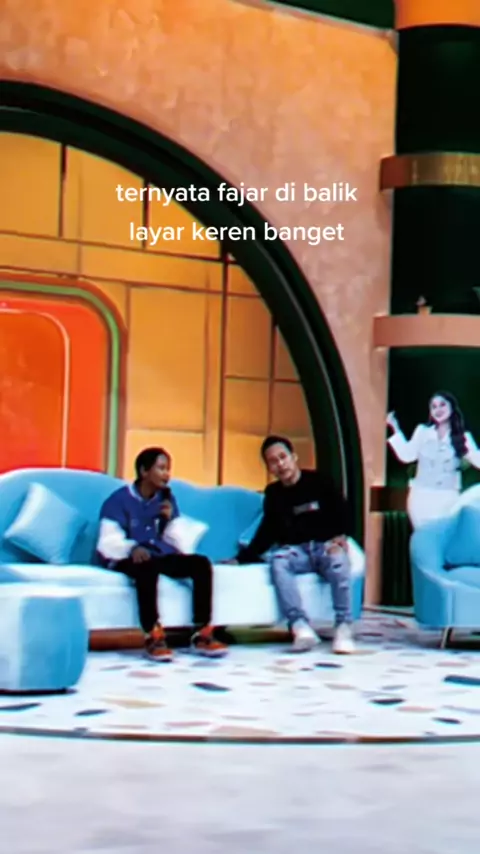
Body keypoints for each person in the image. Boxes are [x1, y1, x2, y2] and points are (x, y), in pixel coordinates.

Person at [96, 447, 227, 662]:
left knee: (200, 564)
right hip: (127, 556)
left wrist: (170, 520)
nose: (167, 475)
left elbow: (180, 545)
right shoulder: (118, 500)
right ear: (144, 471)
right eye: (161, 468)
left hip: (157, 554)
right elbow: (107, 541)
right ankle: (153, 635)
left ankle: (201, 632)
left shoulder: (165, 499)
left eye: (168, 469)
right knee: (146, 566)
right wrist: (131, 548)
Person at [229, 435, 355, 654]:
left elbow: (343, 511)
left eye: (283, 457)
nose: (280, 464)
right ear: (269, 468)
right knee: (278, 561)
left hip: (324, 546)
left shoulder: (320, 481)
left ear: (294, 457)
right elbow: (267, 532)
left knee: (338, 560)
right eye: (273, 461)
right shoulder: (273, 494)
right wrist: (241, 559)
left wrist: (341, 536)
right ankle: (300, 626)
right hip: (296, 552)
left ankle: (343, 626)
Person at [386, 391, 480, 529]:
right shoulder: (422, 432)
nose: (438, 409)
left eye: (442, 405)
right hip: (421, 496)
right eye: (434, 406)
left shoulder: (462, 437)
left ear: (452, 408)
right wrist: (395, 428)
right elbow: (407, 455)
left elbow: (477, 459)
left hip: (447, 498)